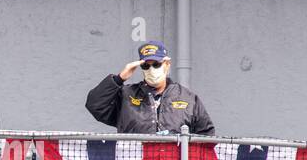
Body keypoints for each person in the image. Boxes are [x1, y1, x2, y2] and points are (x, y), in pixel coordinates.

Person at [85, 41, 214, 135]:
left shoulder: (188, 98)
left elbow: (206, 135)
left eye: (156, 64)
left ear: (167, 64)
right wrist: (119, 78)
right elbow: (95, 105)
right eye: (146, 66)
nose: (151, 70)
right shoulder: (126, 96)